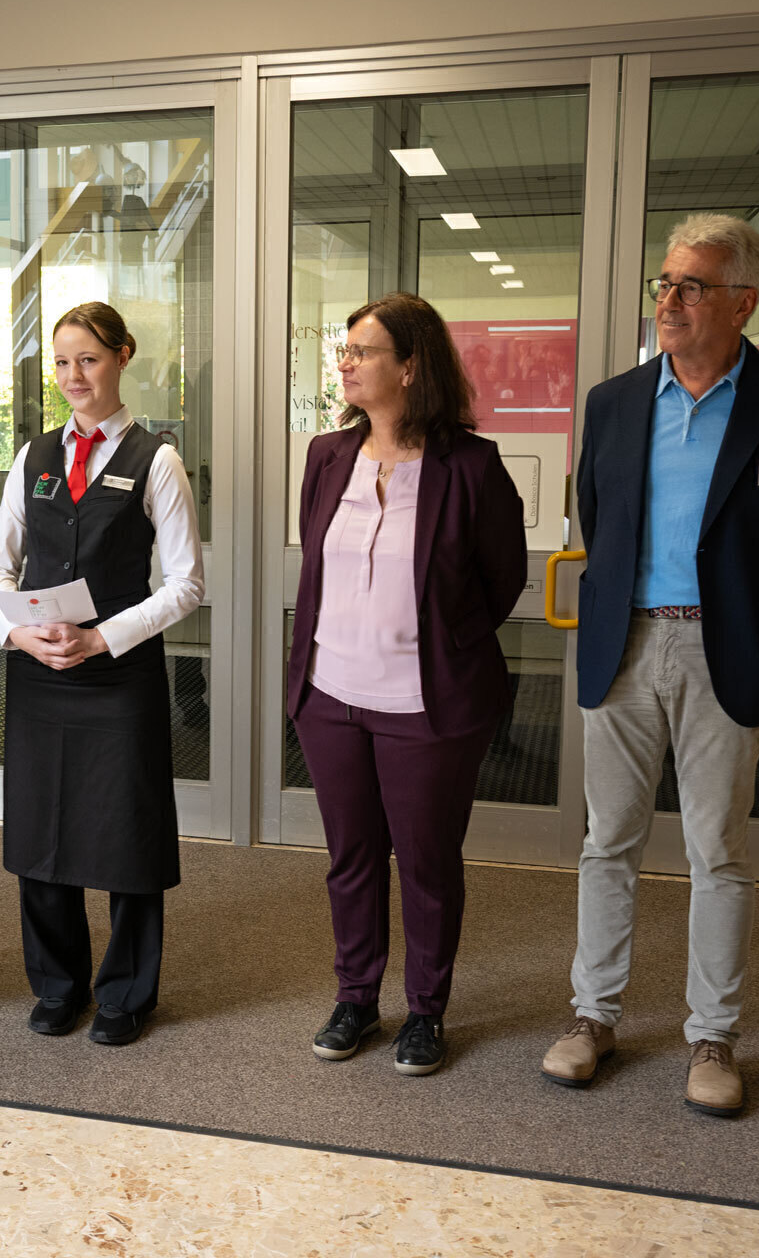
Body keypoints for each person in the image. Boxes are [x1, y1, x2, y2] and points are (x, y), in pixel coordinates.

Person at [540, 213, 759, 1116]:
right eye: (664, 283)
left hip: (725, 647)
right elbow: (600, 515)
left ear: (743, 302)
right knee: (607, 842)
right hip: (625, 643)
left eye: (692, 287)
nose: (669, 301)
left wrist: (757, 621)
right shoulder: (615, 401)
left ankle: (713, 1036)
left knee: (718, 850)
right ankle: (593, 1017)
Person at [287, 293, 527, 1077]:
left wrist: (437, 642)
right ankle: (356, 997)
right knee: (351, 857)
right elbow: (317, 563)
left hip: (426, 703)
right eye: (345, 350)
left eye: (363, 351)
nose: (345, 363)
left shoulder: (472, 466)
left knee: (426, 862)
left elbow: (501, 581)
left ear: (412, 366)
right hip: (331, 694)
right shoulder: (327, 456)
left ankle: (426, 1009)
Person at [0, 300, 204, 1046]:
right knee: (39, 830)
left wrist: (103, 639)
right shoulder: (33, 458)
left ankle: (126, 993)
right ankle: (57, 984)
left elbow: (185, 584)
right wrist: (18, 631)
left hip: (118, 676)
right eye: (61, 361)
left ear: (121, 357)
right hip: (40, 672)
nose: (73, 375)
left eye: (88, 359)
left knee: (127, 834)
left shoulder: (156, 460)